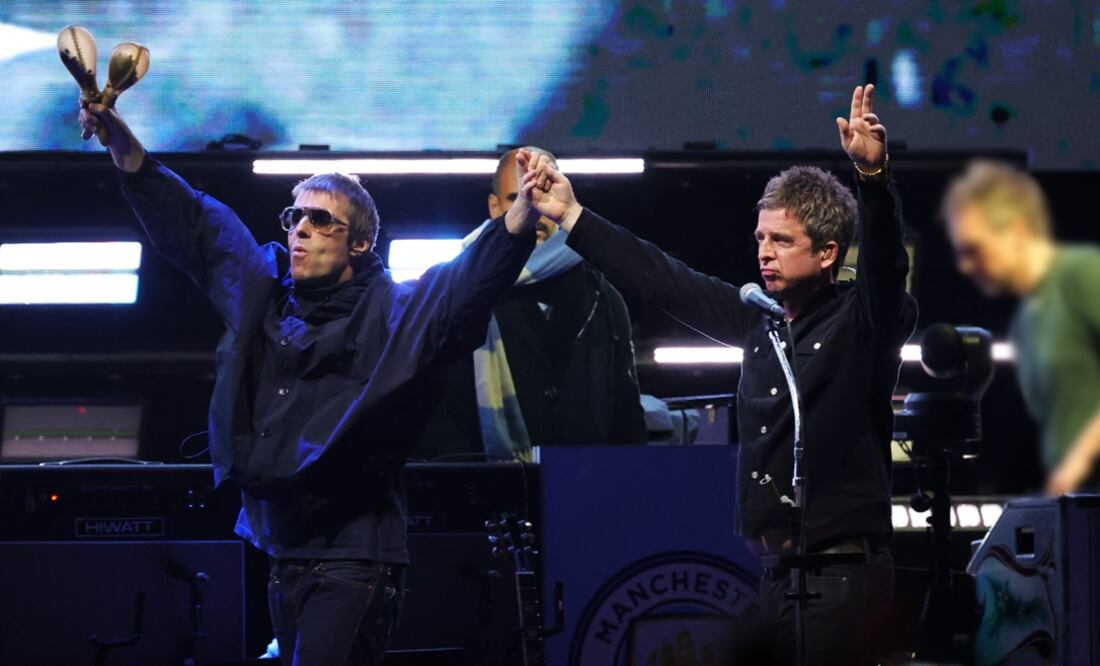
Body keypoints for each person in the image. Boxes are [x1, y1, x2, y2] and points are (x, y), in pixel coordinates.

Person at [78, 100, 539, 665]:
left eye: (322, 221)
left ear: (360, 243)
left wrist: (517, 220)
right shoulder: (263, 294)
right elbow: (197, 226)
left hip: (355, 559)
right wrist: (121, 144)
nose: (301, 229)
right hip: (281, 553)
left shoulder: (395, 311)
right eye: (295, 216)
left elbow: (462, 287)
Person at [520, 84, 917, 665]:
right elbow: (663, 279)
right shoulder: (760, 320)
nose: (765, 252)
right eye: (761, 238)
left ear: (828, 253)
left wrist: (875, 179)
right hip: (775, 577)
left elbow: (886, 265)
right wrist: (573, 216)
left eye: (782, 241)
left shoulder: (864, 323)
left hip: (843, 579)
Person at [415, 148, 646, 460]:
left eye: (543, 191)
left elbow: (626, 410)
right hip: (489, 489)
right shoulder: (457, 290)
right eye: (518, 196)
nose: (532, 207)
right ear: (494, 206)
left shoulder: (602, 296)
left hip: (586, 486)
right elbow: (433, 407)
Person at [942, 160, 1100, 495]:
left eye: (974, 250)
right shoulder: (1026, 321)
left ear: (1015, 231)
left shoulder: (1082, 274)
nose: (965, 266)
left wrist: (1077, 464)